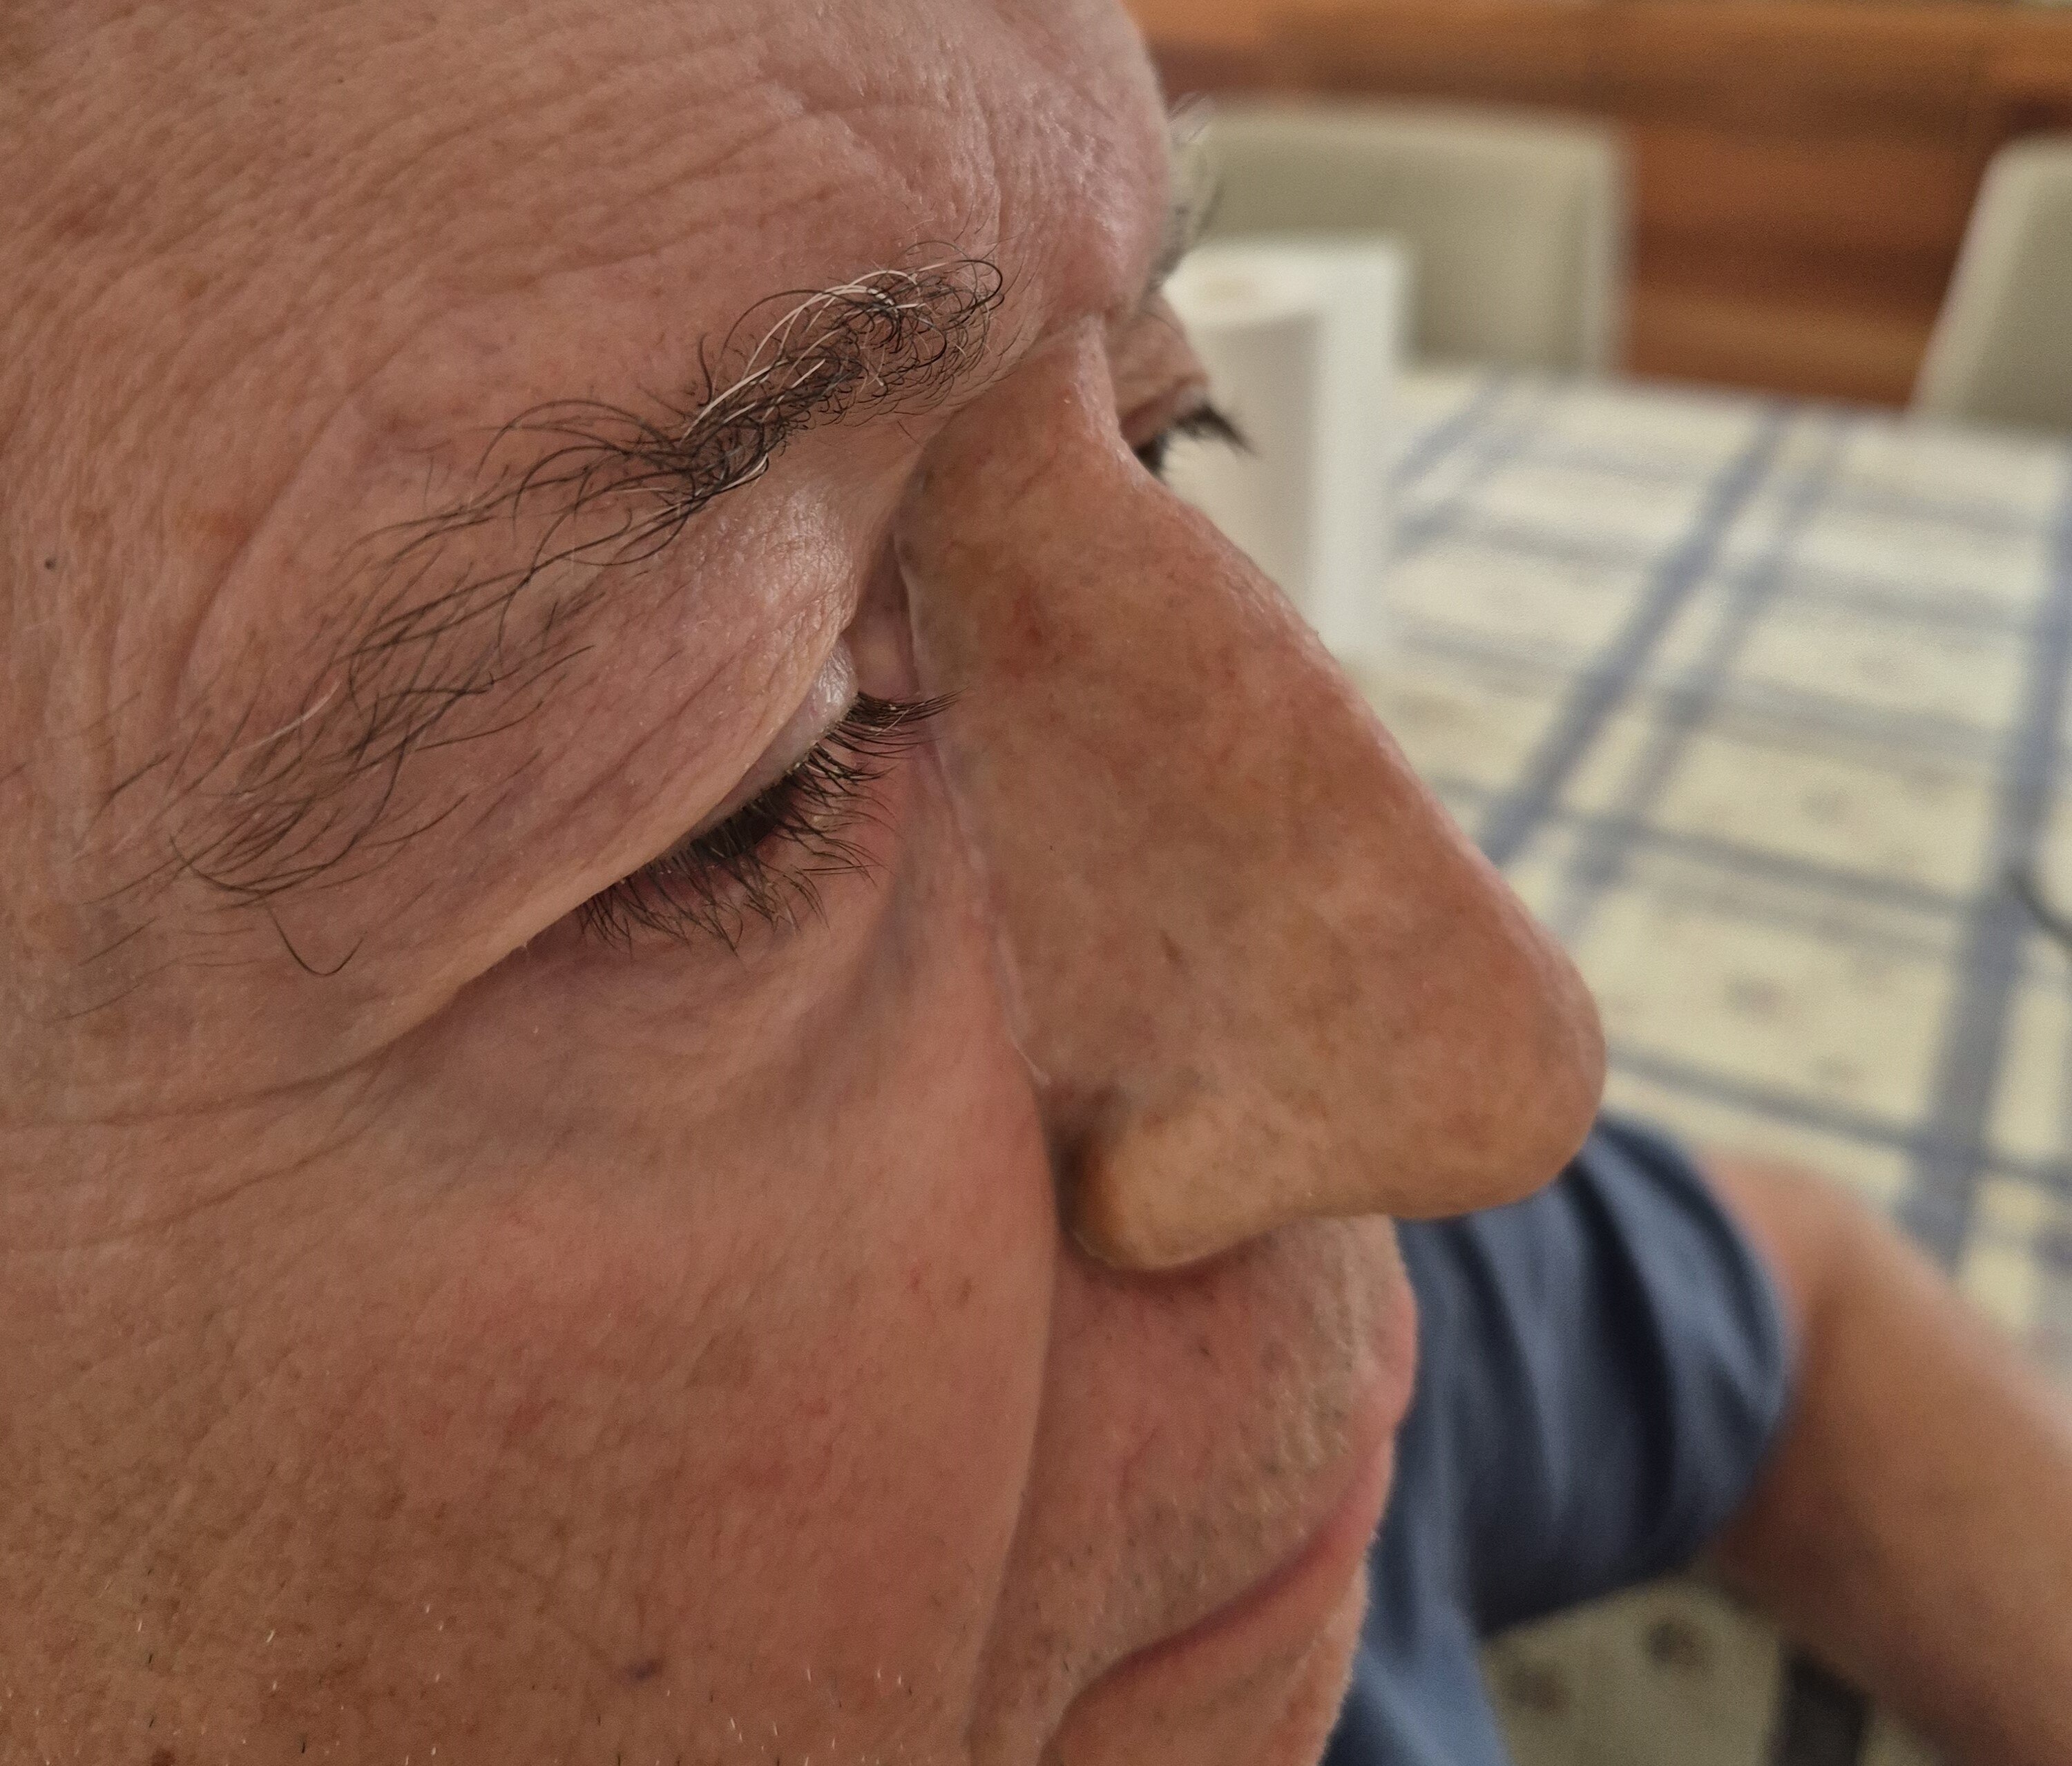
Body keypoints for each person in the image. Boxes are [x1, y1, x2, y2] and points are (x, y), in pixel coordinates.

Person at [3, 3, 2069, 1763]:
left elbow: (1787, 1298)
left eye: (1164, 430)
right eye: (736, 781)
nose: (1491, 1059)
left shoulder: (1275, 1315)